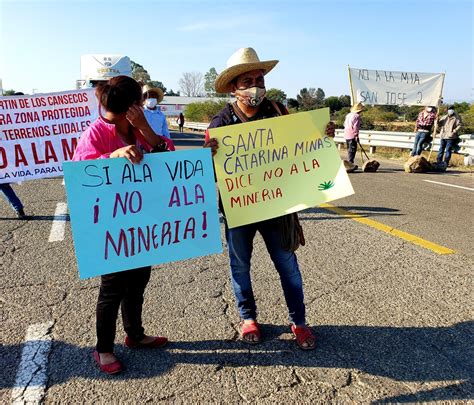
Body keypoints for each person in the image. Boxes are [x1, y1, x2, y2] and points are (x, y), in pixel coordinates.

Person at [204, 47, 316, 350]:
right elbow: (211, 176)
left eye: (260, 79)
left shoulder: (279, 112)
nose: (256, 87)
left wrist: (323, 137)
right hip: (238, 210)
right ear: (232, 88)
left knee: (288, 265)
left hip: (277, 207)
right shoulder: (220, 124)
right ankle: (248, 317)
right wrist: (209, 158)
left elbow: (302, 151)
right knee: (240, 266)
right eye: (247, 81)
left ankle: (299, 322)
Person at [73, 76, 171, 374]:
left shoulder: (141, 128)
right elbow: (80, 172)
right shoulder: (96, 132)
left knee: (138, 281)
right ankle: (103, 349)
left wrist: (144, 128)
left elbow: (167, 155)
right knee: (112, 288)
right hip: (112, 227)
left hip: (143, 222)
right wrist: (112, 156)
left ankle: (135, 334)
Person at [1, 92, 27, 219]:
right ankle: (19, 208)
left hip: (6, 156)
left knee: (3, 184)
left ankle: (19, 208)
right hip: (6, 157)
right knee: (3, 184)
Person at [343, 102, 365, 168]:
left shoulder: (348, 115)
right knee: (352, 149)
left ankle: (350, 164)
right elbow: (356, 127)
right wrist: (356, 135)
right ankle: (350, 164)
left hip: (346, 134)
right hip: (352, 134)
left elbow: (344, 124)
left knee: (349, 149)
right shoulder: (357, 116)